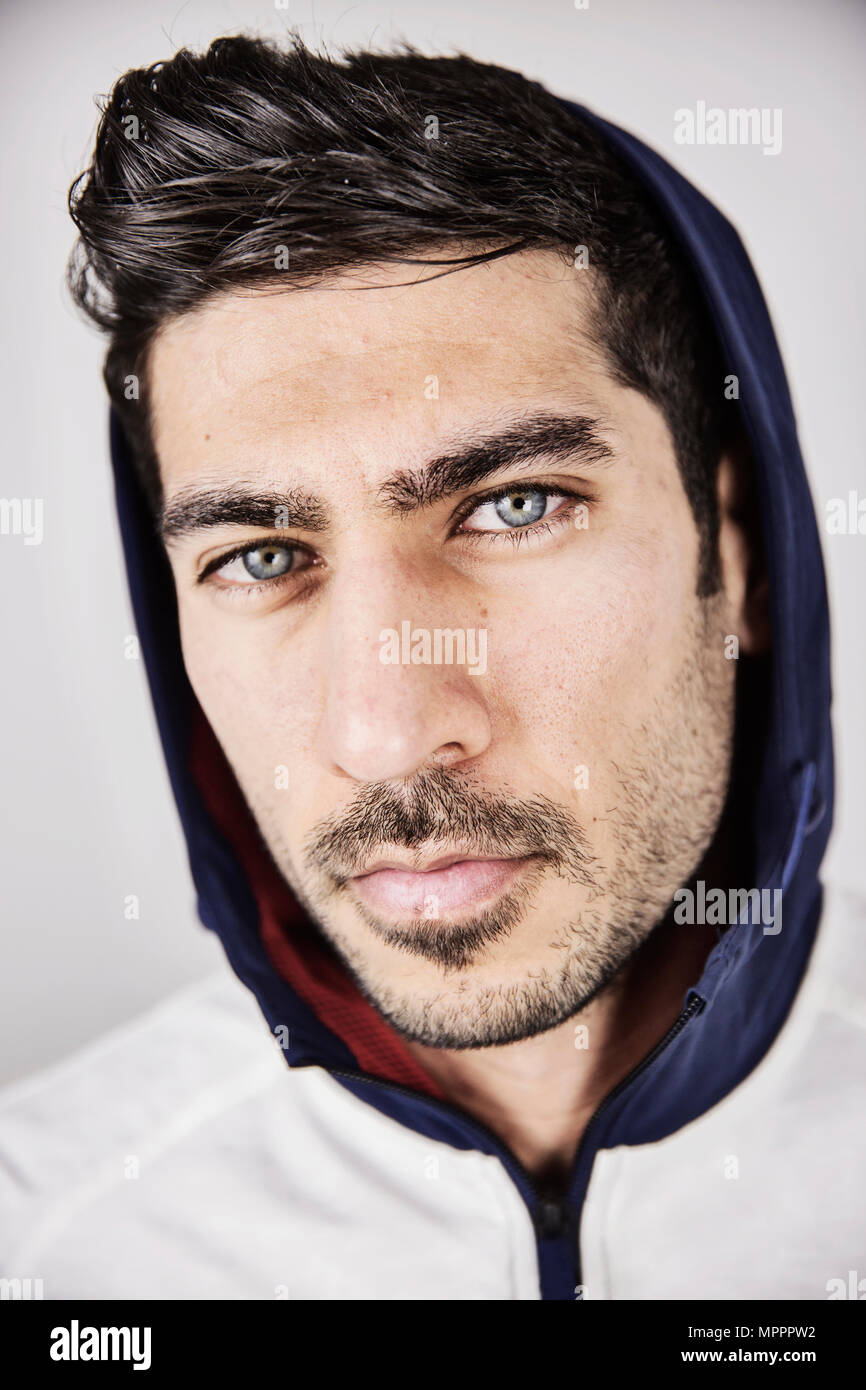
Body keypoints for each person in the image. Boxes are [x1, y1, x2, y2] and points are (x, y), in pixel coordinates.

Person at [2, 33, 863, 1301]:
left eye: (514, 506)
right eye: (258, 555)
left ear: (735, 554)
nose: (389, 729)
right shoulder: (48, 1241)